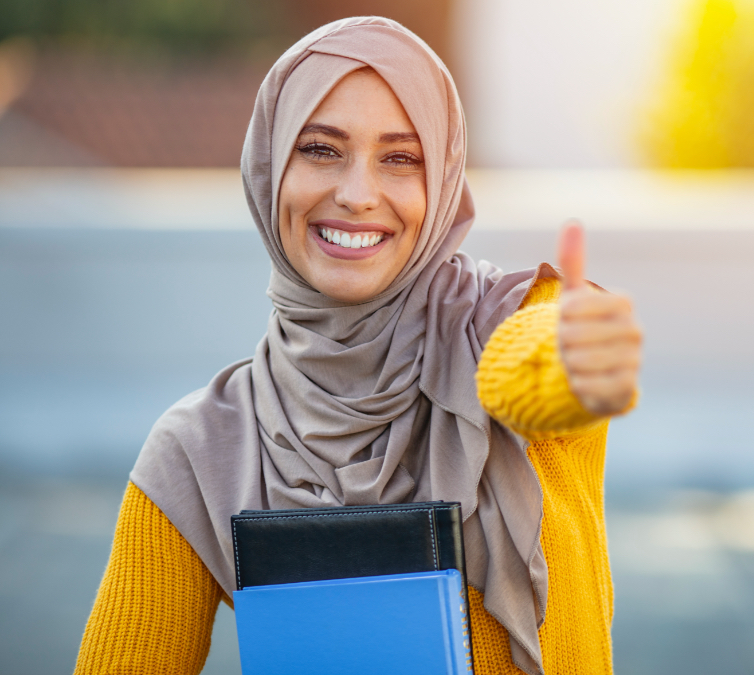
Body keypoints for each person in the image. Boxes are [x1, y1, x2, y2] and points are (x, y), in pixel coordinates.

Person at [73, 17, 641, 675]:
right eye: (320, 149)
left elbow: (529, 363)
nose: (356, 194)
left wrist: (572, 357)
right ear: (270, 165)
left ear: (443, 181)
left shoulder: (506, 323)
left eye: (401, 158)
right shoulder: (200, 450)